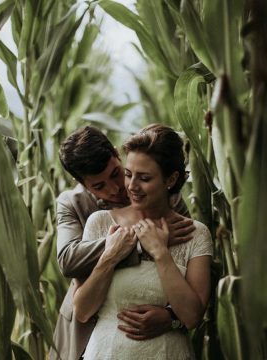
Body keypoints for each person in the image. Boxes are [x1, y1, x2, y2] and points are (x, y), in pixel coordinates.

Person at [50, 126, 196, 360]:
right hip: (84, 331)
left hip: (154, 336)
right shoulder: (71, 203)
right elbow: (68, 260)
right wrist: (137, 240)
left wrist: (172, 318)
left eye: (116, 174)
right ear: (82, 184)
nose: (115, 188)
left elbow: (191, 257)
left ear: (117, 155)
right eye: (98, 186)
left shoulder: (164, 195)